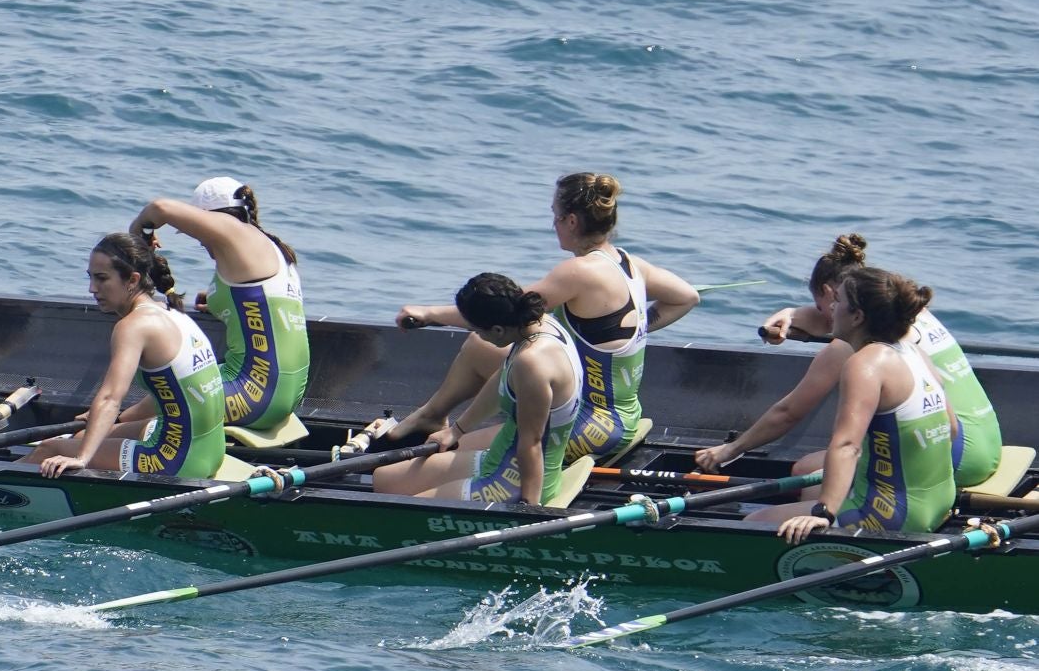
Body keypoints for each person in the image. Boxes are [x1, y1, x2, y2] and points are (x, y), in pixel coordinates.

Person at [389, 173, 699, 462]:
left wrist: (428, 314)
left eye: (556, 215)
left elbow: (503, 310)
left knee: (442, 456)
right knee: (479, 346)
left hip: (592, 424)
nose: (553, 223)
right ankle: (432, 414)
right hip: (612, 408)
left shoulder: (578, 272)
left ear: (573, 221)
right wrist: (631, 330)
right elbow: (686, 297)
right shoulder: (630, 263)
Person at [705, 233, 1002, 487]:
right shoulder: (905, 310)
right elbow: (838, 323)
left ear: (831, 294)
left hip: (956, 455)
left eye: (825, 307)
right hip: (986, 441)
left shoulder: (849, 351)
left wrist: (731, 450)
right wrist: (795, 312)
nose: (826, 316)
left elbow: (788, 413)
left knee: (806, 469)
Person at [744, 268, 955, 543]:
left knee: (754, 523)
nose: (831, 306)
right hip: (940, 501)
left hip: (890, 514)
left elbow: (847, 446)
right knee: (818, 482)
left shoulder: (865, 364)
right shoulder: (913, 351)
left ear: (857, 317)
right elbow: (951, 428)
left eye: (839, 301)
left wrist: (824, 513)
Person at [24, 233, 226, 479]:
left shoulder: (133, 326)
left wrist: (81, 458)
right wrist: (114, 420)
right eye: (90, 278)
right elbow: (177, 392)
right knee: (82, 435)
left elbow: (110, 398)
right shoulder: (173, 312)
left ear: (132, 279)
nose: (92, 289)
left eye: (102, 279)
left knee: (49, 449)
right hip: (212, 448)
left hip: (174, 459)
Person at [373, 274, 581, 505]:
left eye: (479, 331)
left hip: (514, 482)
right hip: (499, 457)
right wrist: (457, 430)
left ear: (498, 330)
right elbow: (501, 380)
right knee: (383, 480)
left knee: (402, 510)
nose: (478, 336)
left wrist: (529, 507)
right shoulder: (539, 322)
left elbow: (531, 442)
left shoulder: (531, 363)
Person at [130, 176, 308, 431]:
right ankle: (116, 419)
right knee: (148, 405)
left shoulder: (232, 229)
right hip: (284, 395)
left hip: (253, 395)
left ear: (211, 217)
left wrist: (137, 232)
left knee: (120, 424)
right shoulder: (270, 246)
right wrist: (218, 301)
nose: (199, 241)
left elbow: (159, 208)